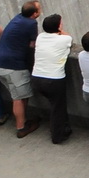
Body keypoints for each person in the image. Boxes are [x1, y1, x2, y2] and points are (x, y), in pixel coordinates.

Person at [0, 0, 41, 138]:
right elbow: (32, 45)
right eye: (39, 9)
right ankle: (21, 127)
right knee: (18, 98)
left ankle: (23, 120)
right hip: (13, 67)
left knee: (20, 96)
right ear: (34, 14)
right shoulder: (31, 23)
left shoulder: (18, 18)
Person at [30, 14, 73, 144]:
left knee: (55, 106)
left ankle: (64, 127)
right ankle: (57, 136)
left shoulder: (40, 37)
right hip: (54, 79)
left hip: (37, 78)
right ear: (58, 27)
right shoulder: (65, 39)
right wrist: (61, 30)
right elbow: (68, 37)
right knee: (57, 108)